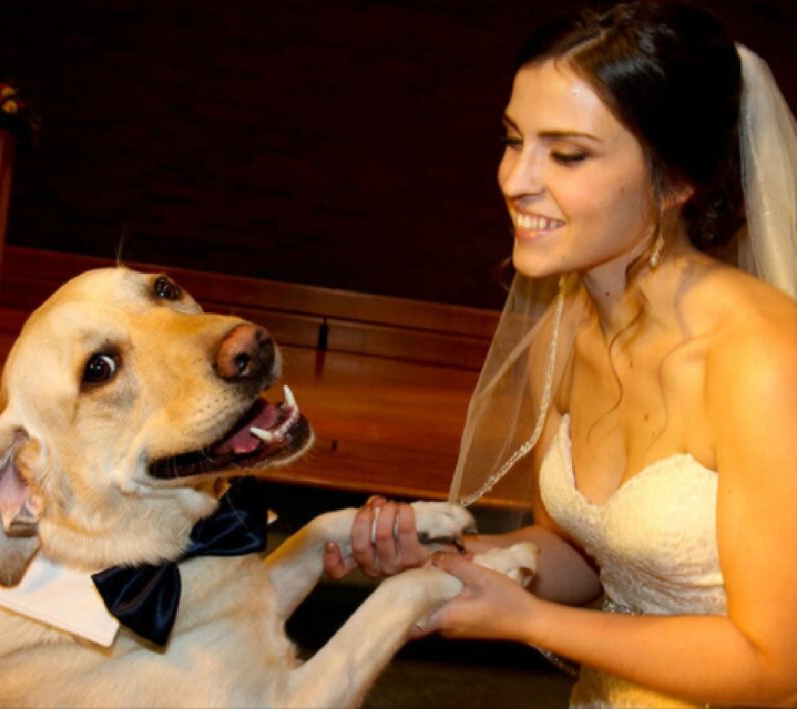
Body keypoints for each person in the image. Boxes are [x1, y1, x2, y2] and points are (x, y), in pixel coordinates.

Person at [323, 1, 797, 706]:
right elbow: (583, 554)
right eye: (515, 140)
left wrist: (526, 618)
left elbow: (773, 662)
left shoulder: (764, 360)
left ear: (677, 181)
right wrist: (449, 563)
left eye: (567, 153)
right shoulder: (569, 320)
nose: (515, 179)